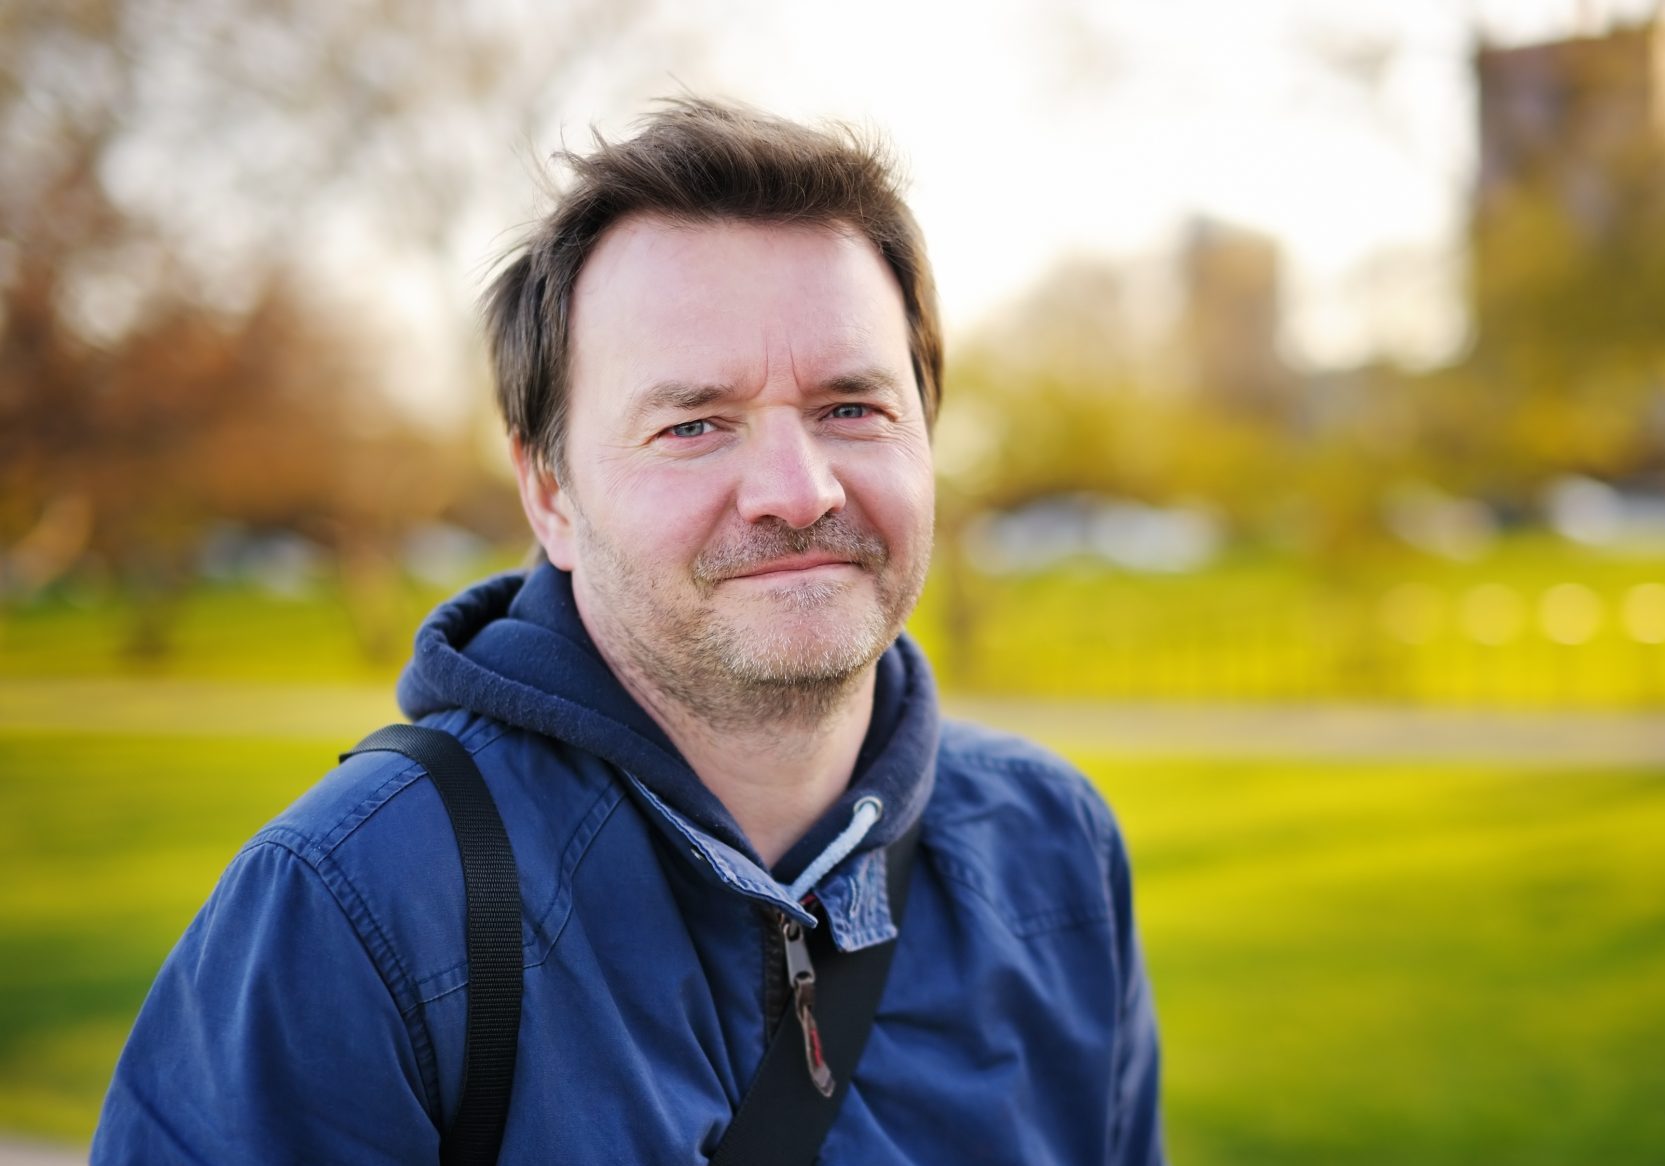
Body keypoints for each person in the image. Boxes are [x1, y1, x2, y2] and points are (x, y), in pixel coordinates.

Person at [92, 97, 1164, 1164]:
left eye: (853, 407)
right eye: (694, 424)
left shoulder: (1055, 851)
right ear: (549, 490)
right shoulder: (356, 903)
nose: (796, 490)